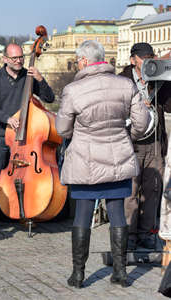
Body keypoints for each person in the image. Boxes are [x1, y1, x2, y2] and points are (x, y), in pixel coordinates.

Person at [56, 40, 149, 288]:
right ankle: (120, 273)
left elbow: (62, 129)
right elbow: (142, 122)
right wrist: (126, 138)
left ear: (85, 61)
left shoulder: (73, 90)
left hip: (85, 162)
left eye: (78, 60)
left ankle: (78, 274)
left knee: (83, 215)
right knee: (117, 212)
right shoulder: (125, 84)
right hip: (116, 157)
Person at [0, 43, 55, 228]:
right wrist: (7, 119)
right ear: (5, 59)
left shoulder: (28, 77)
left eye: (21, 57)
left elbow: (49, 98)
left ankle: (23, 212)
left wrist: (40, 80)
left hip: (25, 137)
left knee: (23, 175)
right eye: (14, 58)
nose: (19, 61)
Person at [119, 42, 171, 250]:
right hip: (130, 143)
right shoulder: (123, 80)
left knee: (153, 189)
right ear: (133, 60)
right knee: (130, 190)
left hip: (155, 144)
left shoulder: (157, 77)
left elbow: (169, 106)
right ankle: (129, 234)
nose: (149, 60)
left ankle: (147, 233)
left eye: (151, 56)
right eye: (144, 57)